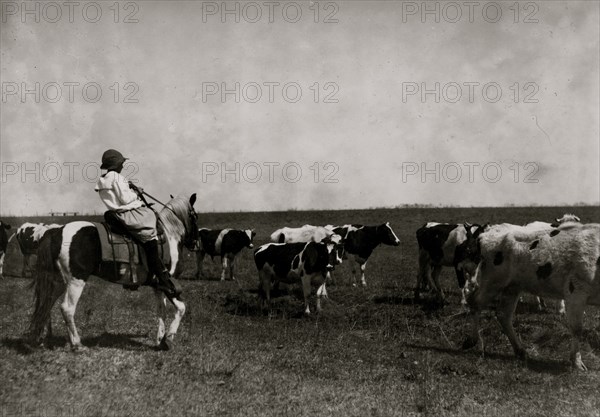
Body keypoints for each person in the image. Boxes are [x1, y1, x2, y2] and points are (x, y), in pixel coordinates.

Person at [95, 149, 179, 297]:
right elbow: (126, 199)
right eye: (122, 163)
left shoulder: (103, 179)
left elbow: (116, 195)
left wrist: (128, 187)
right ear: (116, 164)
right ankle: (161, 276)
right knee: (150, 234)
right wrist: (137, 193)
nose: (123, 166)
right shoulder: (117, 177)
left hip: (115, 214)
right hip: (129, 214)